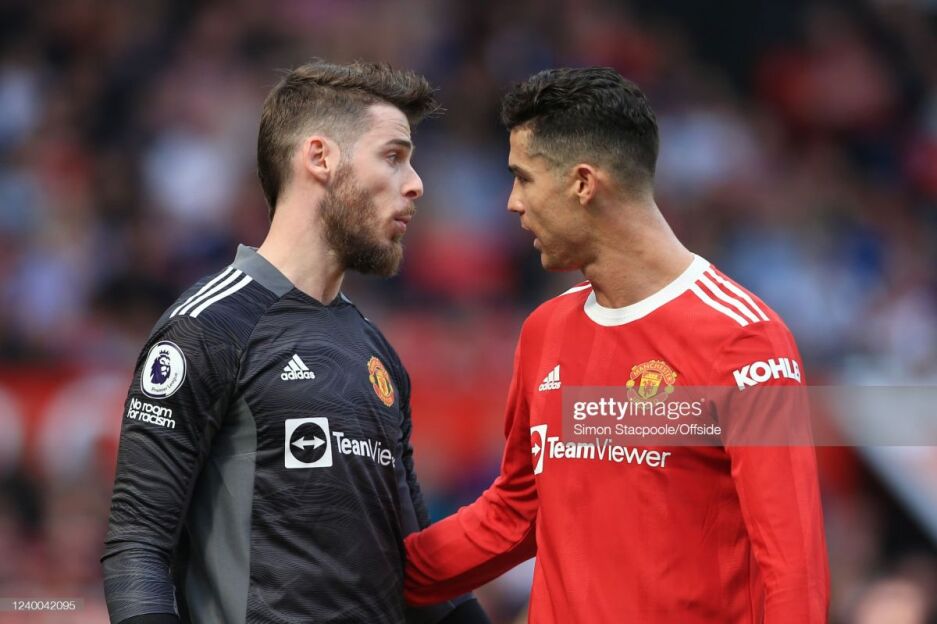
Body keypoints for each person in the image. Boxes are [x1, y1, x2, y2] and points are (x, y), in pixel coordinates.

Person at [403, 67, 830, 623]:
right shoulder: (545, 331)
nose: (512, 202)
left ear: (583, 183)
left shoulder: (744, 340)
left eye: (524, 178)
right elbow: (515, 514)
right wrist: (366, 569)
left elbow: (793, 571)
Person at [102, 60, 490, 624]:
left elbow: (420, 570)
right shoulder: (208, 328)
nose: (415, 183)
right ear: (320, 158)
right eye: (393, 156)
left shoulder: (376, 352)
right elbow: (137, 546)